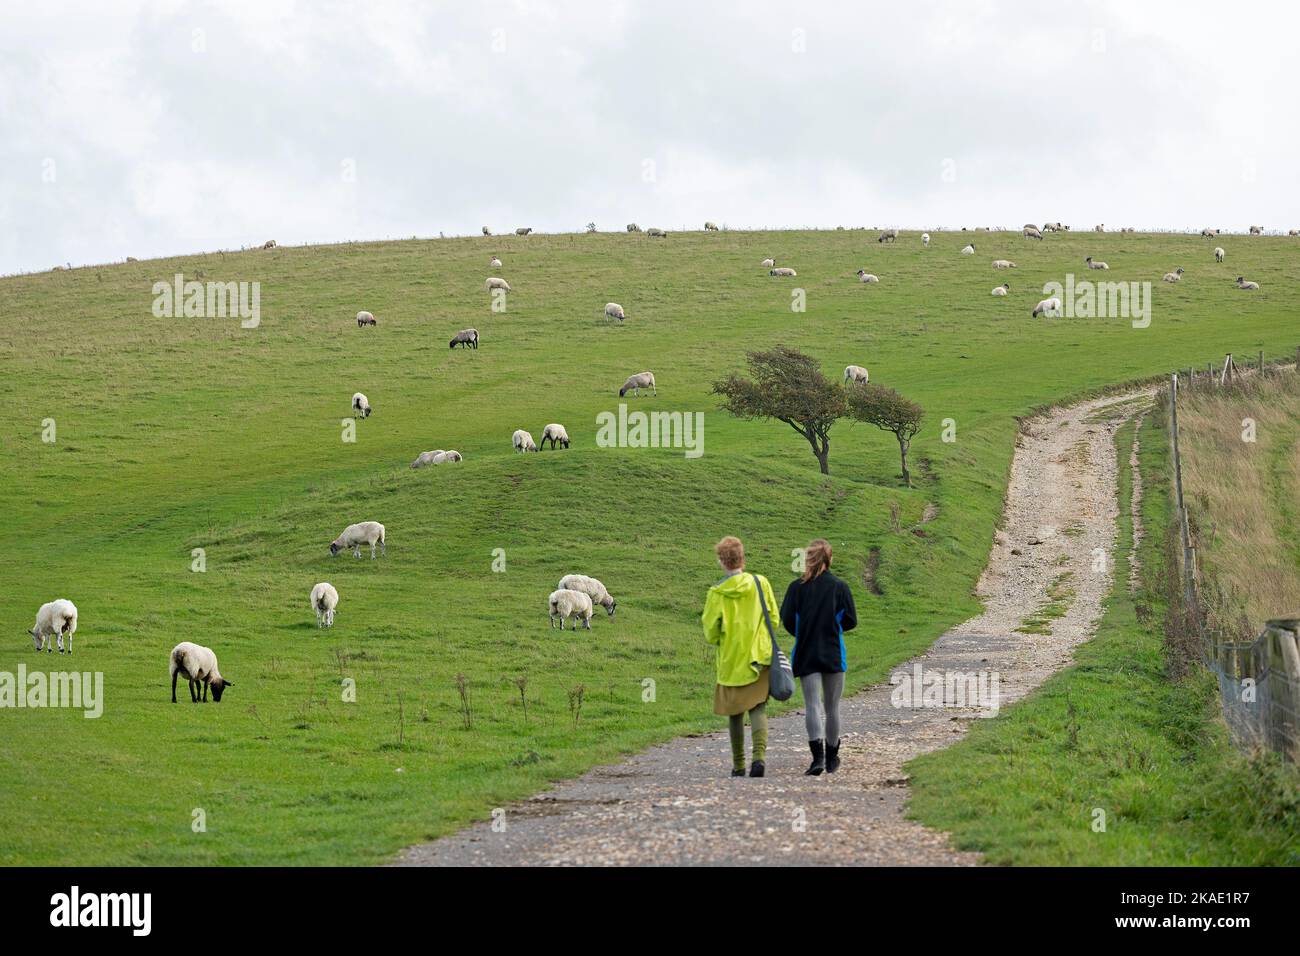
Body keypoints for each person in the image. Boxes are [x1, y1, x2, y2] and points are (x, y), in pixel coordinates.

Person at [701, 535, 778, 778]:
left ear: (722, 561)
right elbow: (774, 619)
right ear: (742, 557)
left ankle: (739, 764)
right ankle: (760, 760)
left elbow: (711, 633)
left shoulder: (716, 593)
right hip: (759, 656)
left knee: (734, 713)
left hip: (731, 661)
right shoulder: (760, 583)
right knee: (757, 709)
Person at [779, 539, 857, 775]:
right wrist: (834, 627)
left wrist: (802, 633)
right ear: (829, 559)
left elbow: (788, 620)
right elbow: (851, 620)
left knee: (812, 704)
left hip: (805, 651)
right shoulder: (840, 586)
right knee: (832, 707)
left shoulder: (796, 588)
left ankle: (818, 759)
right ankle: (833, 757)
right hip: (833, 651)